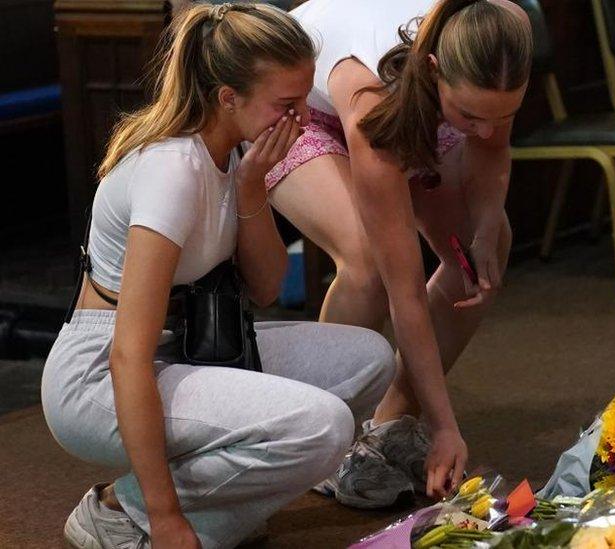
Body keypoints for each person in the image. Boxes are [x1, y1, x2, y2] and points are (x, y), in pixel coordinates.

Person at [41, 4, 395, 548]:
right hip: (96, 377)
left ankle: (217, 509)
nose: (302, 118)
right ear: (228, 98)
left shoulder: (238, 152)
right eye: (288, 104)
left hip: (188, 348)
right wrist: (164, 517)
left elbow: (267, 288)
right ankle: (119, 513)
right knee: (322, 427)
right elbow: (127, 356)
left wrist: (252, 191)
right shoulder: (172, 171)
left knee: (369, 358)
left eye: (304, 99)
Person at [268, 0, 532, 507]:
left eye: (503, 114)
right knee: (368, 264)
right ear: (435, 72)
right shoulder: (371, 97)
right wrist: (446, 425)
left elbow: (491, 145)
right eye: (471, 115)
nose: (484, 128)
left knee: (488, 247)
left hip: (418, 100)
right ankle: (324, 438)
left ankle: (387, 425)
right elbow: (404, 290)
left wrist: (483, 226)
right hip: (298, 110)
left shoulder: (502, 35)